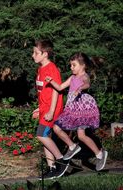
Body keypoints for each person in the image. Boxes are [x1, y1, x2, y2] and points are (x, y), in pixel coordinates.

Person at [45, 52, 108, 171]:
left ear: (83, 65)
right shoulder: (72, 77)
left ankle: (100, 154)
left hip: (82, 109)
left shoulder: (84, 76)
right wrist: (51, 81)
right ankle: (72, 146)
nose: (71, 67)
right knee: (57, 128)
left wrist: (79, 88)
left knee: (81, 135)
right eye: (70, 65)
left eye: (74, 65)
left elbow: (86, 84)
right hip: (71, 108)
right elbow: (60, 87)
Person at [32, 40, 69, 179]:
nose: (33, 55)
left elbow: (56, 91)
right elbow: (44, 92)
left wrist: (51, 111)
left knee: (41, 134)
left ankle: (61, 161)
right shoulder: (40, 69)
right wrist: (39, 108)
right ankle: (52, 168)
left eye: (36, 53)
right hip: (45, 108)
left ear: (45, 54)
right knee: (45, 137)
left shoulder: (51, 68)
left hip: (52, 109)